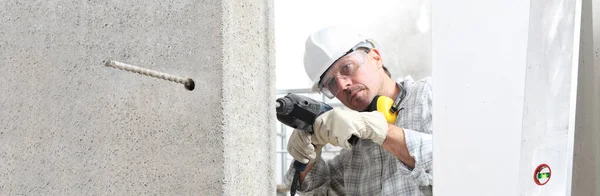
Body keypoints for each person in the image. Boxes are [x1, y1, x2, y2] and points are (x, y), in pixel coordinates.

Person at [284, 26, 433, 195]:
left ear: (376, 58)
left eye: (347, 67)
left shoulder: (428, 95)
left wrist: (381, 131)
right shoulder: (353, 151)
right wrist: (308, 158)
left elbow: (455, 161)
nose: (342, 85)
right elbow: (318, 192)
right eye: (331, 83)